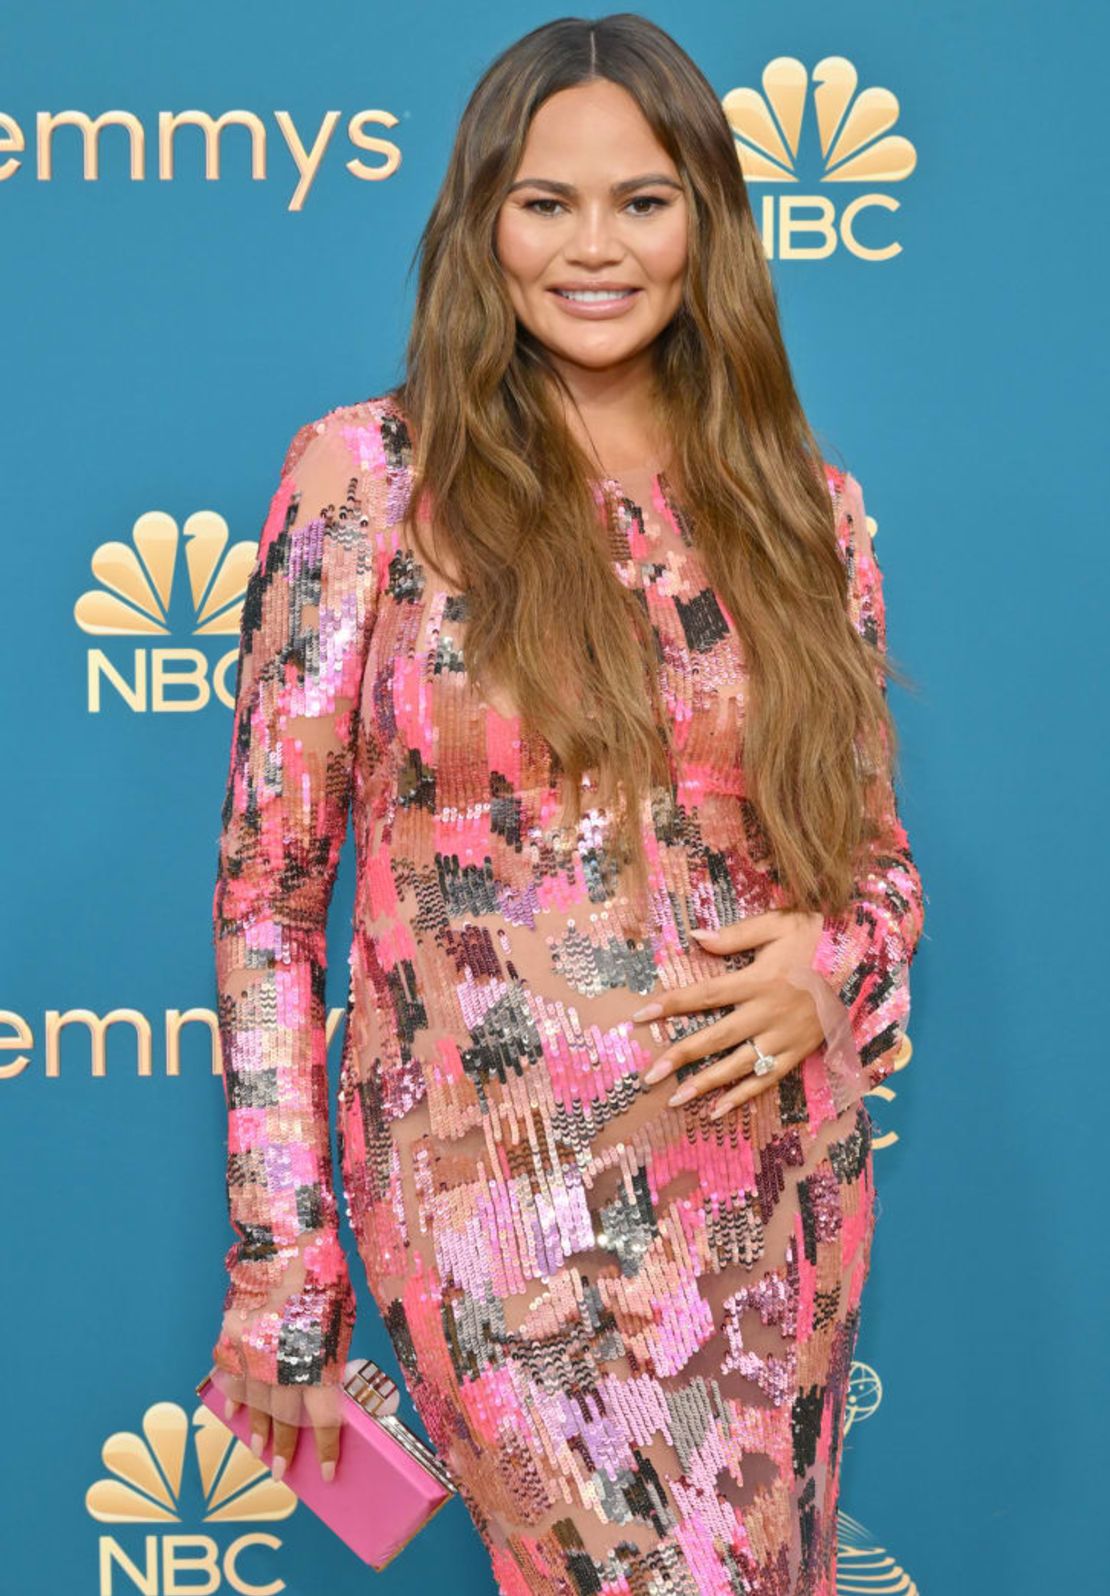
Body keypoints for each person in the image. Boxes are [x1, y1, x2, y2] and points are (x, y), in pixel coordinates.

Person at [206, 13, 926, 1592]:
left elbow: (872, 868)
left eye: (642, 200)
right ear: (482, 222)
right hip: (490, 1205)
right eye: (545, 203)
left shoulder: (806, 507)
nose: (592, 247)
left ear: (706, 225)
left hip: (768, 1189)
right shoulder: (371, 479)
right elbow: (267, 895)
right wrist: (282, 1264)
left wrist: (836, 969)